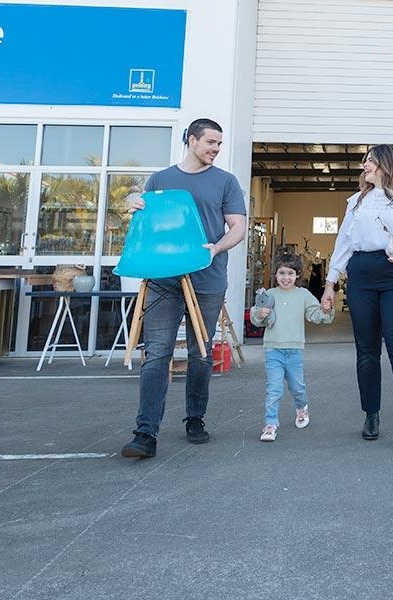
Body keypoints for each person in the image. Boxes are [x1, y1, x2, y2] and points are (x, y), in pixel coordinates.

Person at [120, 118, 247, 459]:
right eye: (211, 143)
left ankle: (195, 418)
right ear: (192, 141)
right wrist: (135, 209)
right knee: (157, 353)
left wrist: (217, 248)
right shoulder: (161, 179)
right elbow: (147, 223)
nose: (216, 149)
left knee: (199, 354)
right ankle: (145, 433)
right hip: (163, 279)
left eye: (219, 144)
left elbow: (238, 226)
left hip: (207, 278)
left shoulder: (226, 182)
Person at [319, 144, 393, 449]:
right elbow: (343, 244)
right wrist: (330, 284)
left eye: (369, 161)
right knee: (366, 351)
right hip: (361, 274)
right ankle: (371, 414)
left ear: (385, 165)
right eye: (365, 161)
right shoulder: (356, 202)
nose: (364, 166)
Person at [250, 253, 335, 442]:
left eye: (290, 273)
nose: (285, 277)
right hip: (273, 349)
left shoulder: (303, 295)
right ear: (275, 274)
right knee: (273, 388)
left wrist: (326, 309)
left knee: (297, 387)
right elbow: (256, 316)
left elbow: (314, 314)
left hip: (295, 350)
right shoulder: (269, 295)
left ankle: (301, 407)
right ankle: (270, 423)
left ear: (297, 275)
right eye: (281, 273)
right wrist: (260, 313)